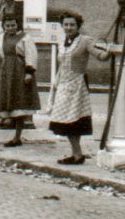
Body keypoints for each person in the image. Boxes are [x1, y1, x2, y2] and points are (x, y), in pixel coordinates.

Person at [46, 10, 114, 165]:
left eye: (72, 25)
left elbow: (100, 56)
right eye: (66, 25)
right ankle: (76, 153)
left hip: (77, 86)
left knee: (74, 120)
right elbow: (62, 65)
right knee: (64, 120)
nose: (69, 28)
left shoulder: (85, 41)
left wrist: (109, 51)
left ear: (78, 26)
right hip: (63, 84)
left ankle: (77, 154)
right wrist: (55, 85)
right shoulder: (62, 42)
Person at [0, 12, 40, 146]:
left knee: (20, 102)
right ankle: (5, 125)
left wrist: (29, 72)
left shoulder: (25, 38)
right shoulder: (2, 37)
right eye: (7, 26)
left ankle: (17, 137)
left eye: (13, 25)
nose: (10, 28)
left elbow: (31, 54)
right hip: (6, 71)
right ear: (4, 27)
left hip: (19, 70)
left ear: (17, 25)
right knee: (5, 98)